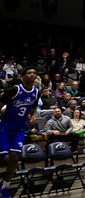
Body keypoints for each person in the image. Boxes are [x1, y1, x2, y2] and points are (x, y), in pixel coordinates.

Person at [0, 67, 39, 198]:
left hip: (19, 129)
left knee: (15, 157)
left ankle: (4, 186)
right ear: (22, 76)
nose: (32, 74)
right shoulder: (14, 90)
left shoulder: (36, 91)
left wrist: (32, 115)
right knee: (4, 157)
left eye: (34, 73)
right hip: (5, 128)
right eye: (29, 72)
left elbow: (32, 106)